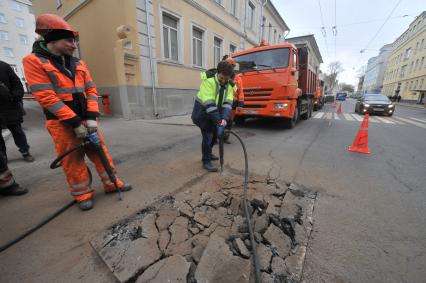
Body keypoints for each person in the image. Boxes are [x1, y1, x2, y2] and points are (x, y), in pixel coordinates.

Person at [22, 14, 132, 211]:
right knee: (73, 159)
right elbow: (46, 97)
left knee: (100, 152)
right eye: (69, 41)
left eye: (74, 41)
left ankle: (112, 184)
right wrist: (74, 123)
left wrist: (91, 118)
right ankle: (82, 194)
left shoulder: (78, 63)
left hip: (85, 119)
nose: (74, 45)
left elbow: (91, 90)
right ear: (53, 40)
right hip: (61, 123)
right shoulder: (34, 62)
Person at [191, 61, 235, 172]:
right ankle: (206, 161)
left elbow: (228, 103)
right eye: (221, 78)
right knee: (208, 136)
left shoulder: (229, 85)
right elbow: (209, 104)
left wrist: (224, 119)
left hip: (215, 114)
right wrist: (219, 120)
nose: (223, 81)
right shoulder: (208, 82)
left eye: (226, 79)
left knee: (215, 135)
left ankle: (209, 153)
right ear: (217, 73)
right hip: (202, 113)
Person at [0, 60, 34, 163]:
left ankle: (25, 152)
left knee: (17, 131)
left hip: (9, 106)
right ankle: (3, 158)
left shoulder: (3, 66)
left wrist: (15, 96)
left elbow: (17, 83)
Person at [222, 56, 244, 144]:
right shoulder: (221, 76)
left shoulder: (238, 78)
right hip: (223, 102)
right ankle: (217, 136)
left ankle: (225, 137)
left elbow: (240, 92)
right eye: (229, 66)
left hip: (233, 103)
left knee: (230, 121)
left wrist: (240, 104)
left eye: (232, 66)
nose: (231, 68)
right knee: (222, 120)